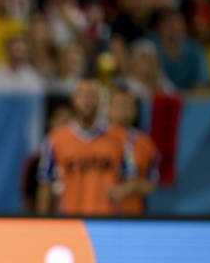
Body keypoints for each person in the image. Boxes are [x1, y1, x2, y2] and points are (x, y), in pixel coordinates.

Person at [36, 77, 136, 216]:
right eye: (83, 95)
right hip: (70, 218)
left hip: (107, 219)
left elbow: (131, 177)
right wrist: (42, 220)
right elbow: (45, 183)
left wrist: (122, 190)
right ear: (74, 99)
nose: (87, 101)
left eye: (92, 95)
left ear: (100, 100)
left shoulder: (121, 139)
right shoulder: (54, 140)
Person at [107, 83, 159, 215]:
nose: (123, 109)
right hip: (97, 212)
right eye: (119, 105)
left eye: (128, 105)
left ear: (135, 110)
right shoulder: (96, 138)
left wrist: (132, 187)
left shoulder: (145, 143)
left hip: (131, 215)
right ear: (108, 109)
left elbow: (152, 182)